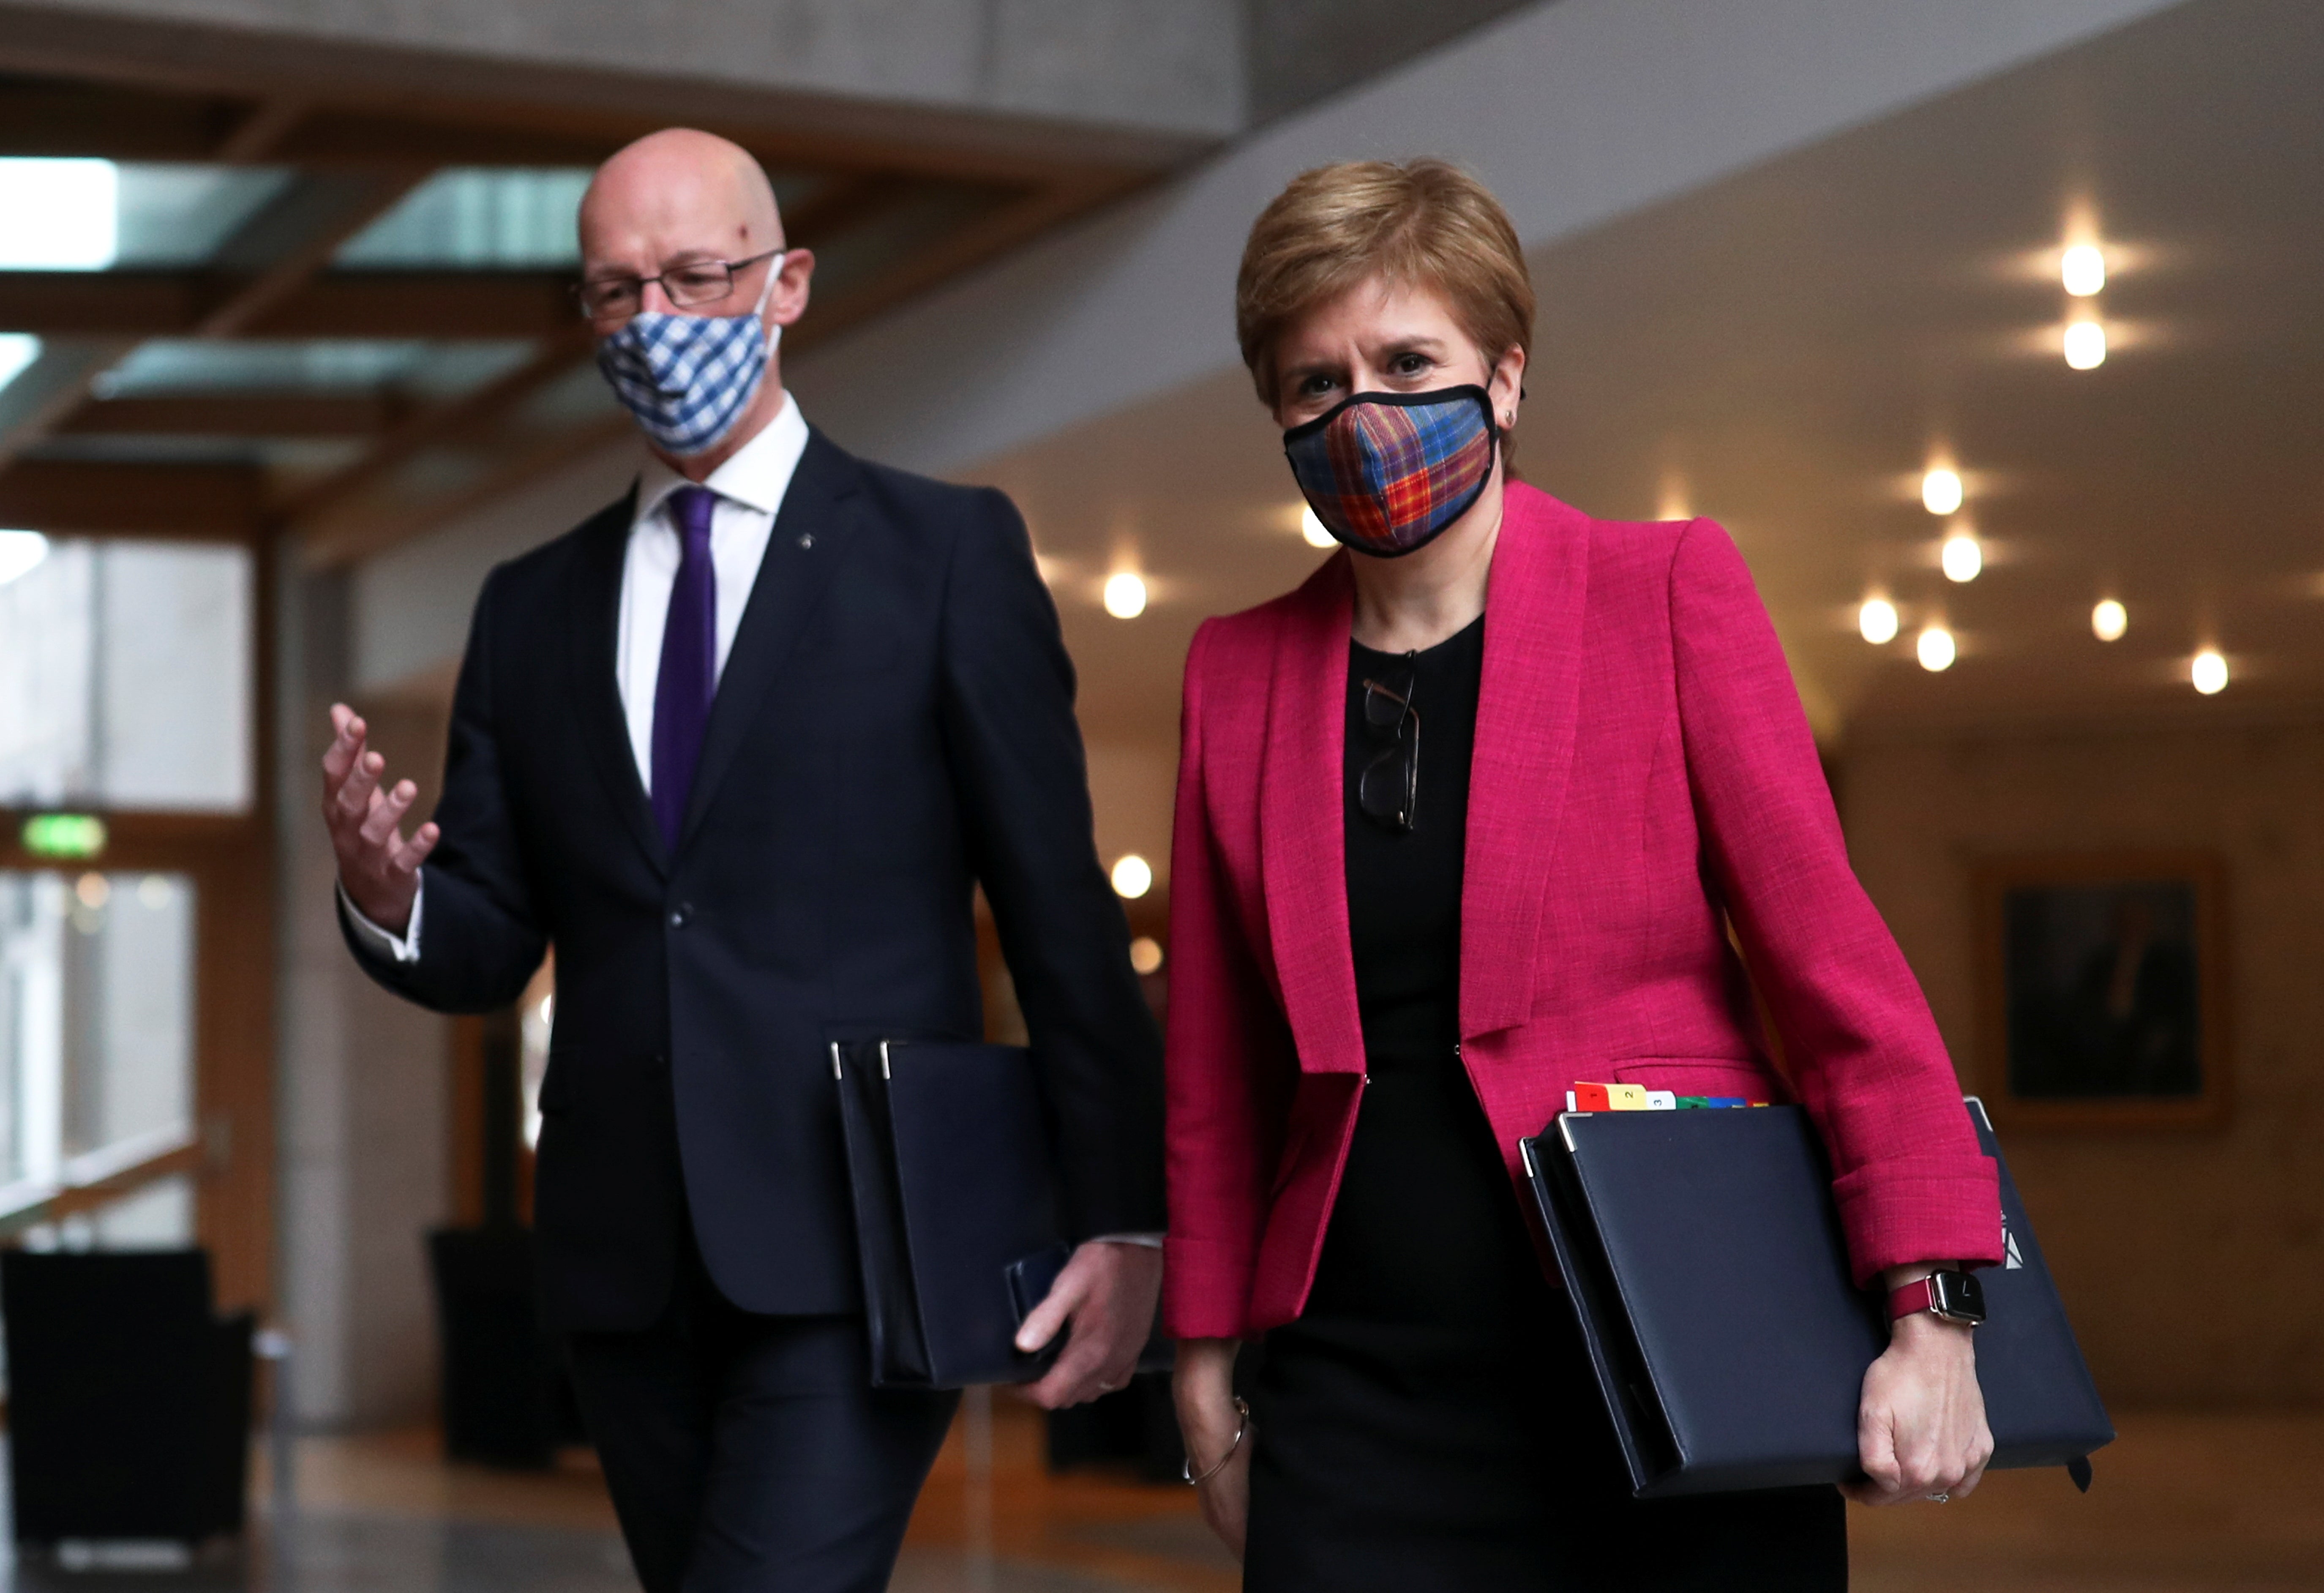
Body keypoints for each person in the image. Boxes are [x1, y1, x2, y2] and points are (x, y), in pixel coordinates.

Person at [321, 128, 1164, 1593]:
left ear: (786, 284)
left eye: (693, 277)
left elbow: (1054, 907)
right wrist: (390, 895)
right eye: (612, 295)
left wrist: (1123, 1215)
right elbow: (489, 941)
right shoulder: (528, 609)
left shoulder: (945, 553)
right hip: (622, 1263)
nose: (654, 325)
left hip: (864, 1247)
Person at [1164, 158, 2003, 1590]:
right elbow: (1212, 1069)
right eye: (1315, 385)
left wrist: (1931, 1309)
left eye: (1405, 362)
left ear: (1502, 377)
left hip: (1675, 1359)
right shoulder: (1232, 671)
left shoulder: (1665, 592)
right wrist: (1198, 1371)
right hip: (1359, 1403)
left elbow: (1833, 971)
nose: (1361, 414)